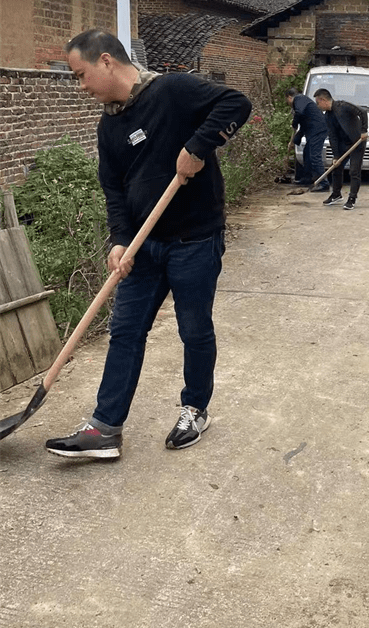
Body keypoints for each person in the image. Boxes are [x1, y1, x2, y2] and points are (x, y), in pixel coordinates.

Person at [45, 30, 252, 460]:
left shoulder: (173, 91)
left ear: (105, 62)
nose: (81, 87)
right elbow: (114, 190)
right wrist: (120, 241)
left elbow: (236, 103)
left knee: (193, 330)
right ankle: (105, 428)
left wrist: (198, 146)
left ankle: (195, 408)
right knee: (124, 331)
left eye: (81, 75)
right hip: (144, 247)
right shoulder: (110, 125)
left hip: (195, 239)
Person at [313, 88, 368, 210]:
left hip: (357, 142)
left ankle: (352, 198)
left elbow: (362, 112)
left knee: (354, 171)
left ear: (323, 100)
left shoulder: (343, 106)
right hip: (344, 144)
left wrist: (364, 130)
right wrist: (336, 156)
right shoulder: (327, 116)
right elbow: (333, 137)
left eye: (318, 102)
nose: (317, 105)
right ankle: (336, 194)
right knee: (336, 168)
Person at [285, 86, 329, 191]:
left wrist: (294, 123)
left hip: (318, 130)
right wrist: (298, 136)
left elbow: (299, 113)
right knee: (307, 154)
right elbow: (305, 121)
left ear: (289, 97)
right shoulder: (303, 101)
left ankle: (323, 183)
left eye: (286, 100)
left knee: (314, 156)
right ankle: (307, 178)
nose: (287, 103)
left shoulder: (299, 99)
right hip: (313, 130)